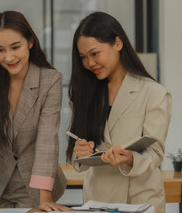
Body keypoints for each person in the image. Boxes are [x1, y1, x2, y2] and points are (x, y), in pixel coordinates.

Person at [0, 11, 68, 212]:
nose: (9, 57)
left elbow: (47, 140)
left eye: (16, 47)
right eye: (0, 50)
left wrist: (45, 198)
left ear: (30, 42)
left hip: (36, 186)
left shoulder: (50, 80)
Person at [66, 11, 172, 212]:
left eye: (95, 53)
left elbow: (156, 153)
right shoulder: (84, 94)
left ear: (118, 43)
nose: (90, 63)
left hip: (140, 199)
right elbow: (76, 153)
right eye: (83, 57)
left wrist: (130, 158)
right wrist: (79, 151)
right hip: (98, 200)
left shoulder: (153, 92)